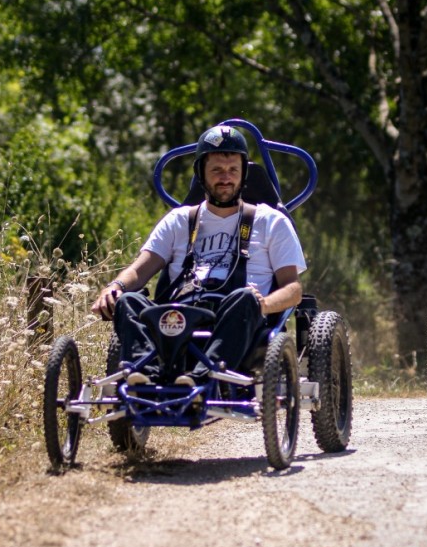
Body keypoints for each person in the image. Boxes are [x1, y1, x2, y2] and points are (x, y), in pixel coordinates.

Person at [91, 124, 307, 384]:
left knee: (244, 297)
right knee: (129, 301)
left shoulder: (271, 221)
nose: (225, 178)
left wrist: (263, 304)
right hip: (177, 317)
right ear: (201, 173)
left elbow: (293, 289)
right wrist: (114, 287)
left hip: (238, 317)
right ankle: (145, 378)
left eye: (232, 170)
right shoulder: (179, 220)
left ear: (244, 175)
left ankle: (205, 377)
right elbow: (140, 270)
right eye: (216, 170)